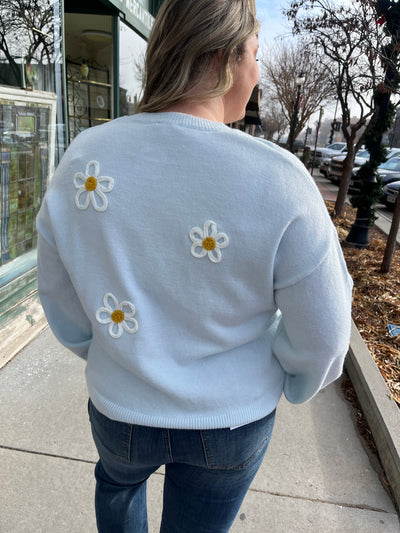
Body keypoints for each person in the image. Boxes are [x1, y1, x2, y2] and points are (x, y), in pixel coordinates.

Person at [36, 0, 353, 531]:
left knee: (117, 484)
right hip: (230, 420)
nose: (257, 74)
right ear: (226, 58)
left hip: (121, 406)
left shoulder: (85, 158)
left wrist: (108, 352)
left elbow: (57, 289)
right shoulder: (280, 180)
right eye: (255, 54)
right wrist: (294, 382)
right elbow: (324, 332)